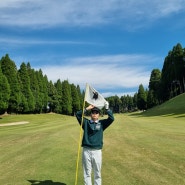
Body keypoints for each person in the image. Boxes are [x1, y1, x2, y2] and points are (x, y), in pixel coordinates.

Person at [76, 102, 114, 185]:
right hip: (86, 151)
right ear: (90, 114)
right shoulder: (85, 123)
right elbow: (78, 115)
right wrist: (87, 108)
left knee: (97, 173)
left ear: (99, 115)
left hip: (97, 151)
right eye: (93, 112)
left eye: (96, 112)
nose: (94, 114)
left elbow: (111, 119)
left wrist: (107, 109)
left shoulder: (102, 123)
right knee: (87, 173)